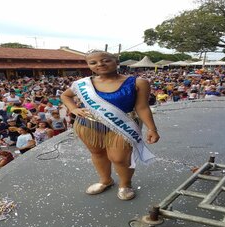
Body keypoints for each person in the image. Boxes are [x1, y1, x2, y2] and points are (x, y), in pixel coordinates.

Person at [61, 50, 159, 201]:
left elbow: (142, 107)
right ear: (88, 65)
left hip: (122, 125)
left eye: (105, 60)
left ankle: (125, 184)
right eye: (93, 62)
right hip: (89, 125)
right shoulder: (82, 84)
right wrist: (73, 108)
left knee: (119, 158)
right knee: (97, 153)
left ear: (116, 61)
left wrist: (152, 128)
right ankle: (105, 180)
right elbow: (66, 95)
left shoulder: (138, 82)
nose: (100, 64)